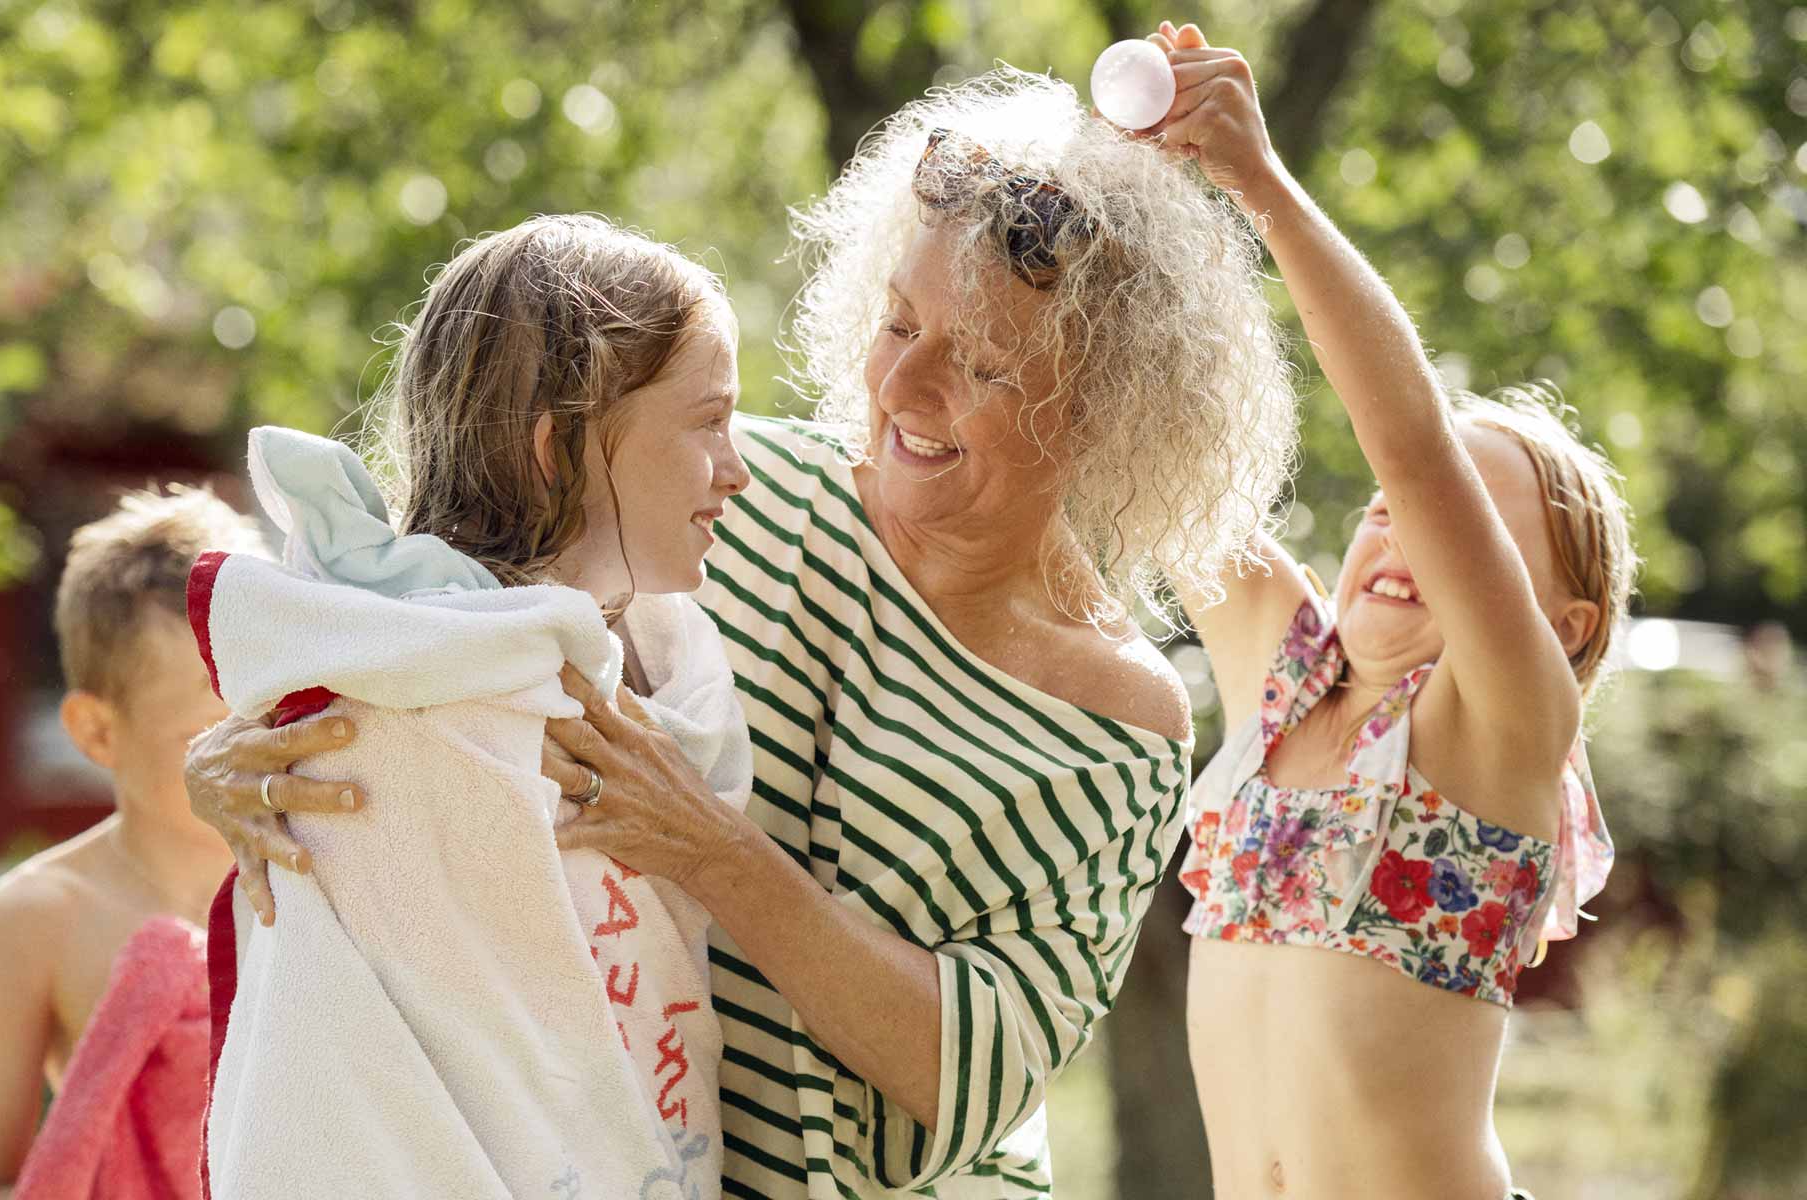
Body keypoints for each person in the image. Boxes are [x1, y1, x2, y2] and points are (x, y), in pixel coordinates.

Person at [187, 69, 1297, 1198]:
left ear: (1104, 405)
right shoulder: (723, 490)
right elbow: (436, 608)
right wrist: (250, 744)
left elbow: (975, 1079)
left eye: (979, 363)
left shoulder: (1118, 720)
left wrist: (713, 850)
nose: (901, 385)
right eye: (897, 323)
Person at [1146, 22, 1635, 1200]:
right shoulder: (1283, 671)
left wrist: (1261, 187)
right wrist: (1134, 191)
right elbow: (1148, 439)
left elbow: (1410, 445)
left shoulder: (1501, 729)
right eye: (1375, 510)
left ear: (1559, 629)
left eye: (1461, 524)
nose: (1395, 527)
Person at [194, 214, 753, 1200]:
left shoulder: (665, 668)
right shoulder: (405, 710)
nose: (740, 467)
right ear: (558, 446)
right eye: (708, 421)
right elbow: (360, 1072)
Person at [0, 486, 267, 1200]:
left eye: (271, 714)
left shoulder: (324, 874)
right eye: (209, 733)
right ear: (97, 732)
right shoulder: (41, 918)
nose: (255, 753)